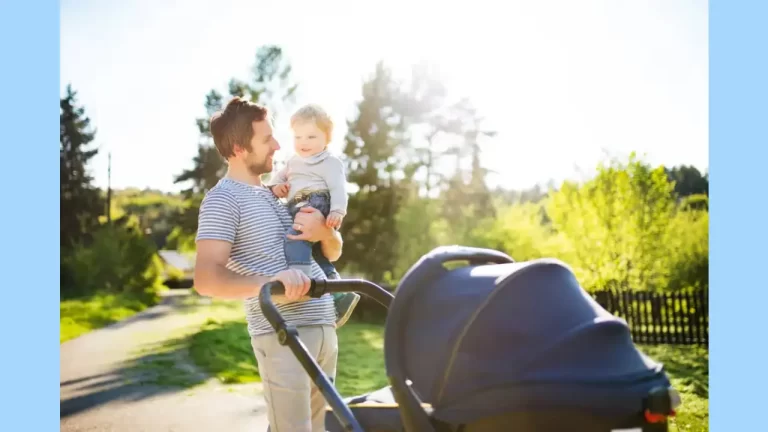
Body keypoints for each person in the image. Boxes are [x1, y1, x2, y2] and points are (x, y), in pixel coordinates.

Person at [193, 96, 341, 432]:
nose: (277, 145)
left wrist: (324, 233)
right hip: (281, 334)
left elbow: (332, 252)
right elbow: (206, 278)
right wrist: (271, 282)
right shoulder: (223, 199)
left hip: (324, 329)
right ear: (238, 148)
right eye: (266, 139)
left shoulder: (280, 194)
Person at [267, 103, 360, 328]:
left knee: (295, 238)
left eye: (311, 136)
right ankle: (341, 295)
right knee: (317, 254)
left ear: (326, 138)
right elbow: (277, 180)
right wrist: (277, 187)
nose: (303, 143)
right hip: (295, 205)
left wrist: (338, 211)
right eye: (298, 137)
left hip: (315, 203)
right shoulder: (293, 161)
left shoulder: (330, 162)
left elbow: (338, 189)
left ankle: (300, 280)